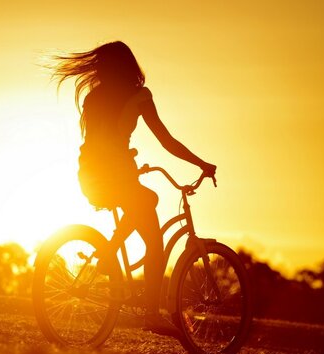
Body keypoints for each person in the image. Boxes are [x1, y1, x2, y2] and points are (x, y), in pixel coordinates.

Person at [50, 41, 216, 335]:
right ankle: (151, 314)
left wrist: (126, 159)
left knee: (147, 198)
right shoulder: (140, 96)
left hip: (90, 175)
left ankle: (107, 253)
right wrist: (202, 164)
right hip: (116, 175)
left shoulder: (94, 97)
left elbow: (97, 142)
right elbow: (166, 140)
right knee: (154, 242)